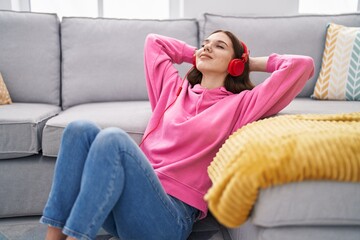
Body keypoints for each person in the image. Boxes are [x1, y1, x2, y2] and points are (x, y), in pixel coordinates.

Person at [40, 30, 314, 240]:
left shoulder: (241, 104)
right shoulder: (172, 90)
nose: (208, 46)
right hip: (125, 204)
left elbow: (302, 65)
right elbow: (153, 43)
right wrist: (196, 52)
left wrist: (249, 62)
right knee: (78, 130)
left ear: (234, 64)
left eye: (220, 46)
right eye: (206, 42)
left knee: (114, 140)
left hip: (170, 217)